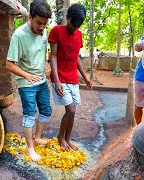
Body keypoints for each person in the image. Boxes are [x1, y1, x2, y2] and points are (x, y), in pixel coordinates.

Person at [5, 0, 52, 162]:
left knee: (46, 111)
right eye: (39, 23)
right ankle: (29, 148)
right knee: (30, 114)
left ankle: (37, 137)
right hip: (27, 83)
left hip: (41, 80)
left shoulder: (43, 31)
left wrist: (46, 66)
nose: (41, 27)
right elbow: (9, 64)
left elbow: (42, 50)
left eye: (45, 24)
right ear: (30, 17)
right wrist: (26, 75)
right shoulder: (19, 35)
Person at [48, 3, 92, 150]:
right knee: (71, 110)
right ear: (67, 18)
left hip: (73, 79)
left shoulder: (79, 35)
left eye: (77, 27)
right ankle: (60, 136)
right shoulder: (56, 31)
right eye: (72, 25)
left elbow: (76, 57)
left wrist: (85, 77)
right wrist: (57, 81)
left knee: (73, 113)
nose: (74, 29)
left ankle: (67, 139)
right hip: (60, 78)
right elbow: (53, 57)